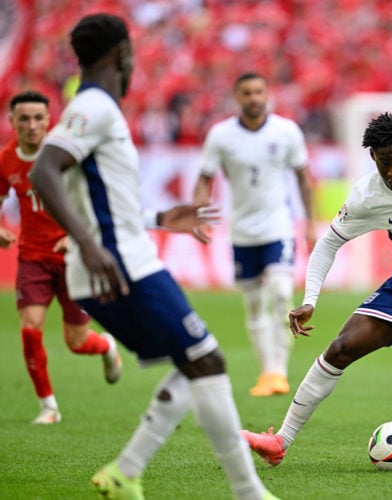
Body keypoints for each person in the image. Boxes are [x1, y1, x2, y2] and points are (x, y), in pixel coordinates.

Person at [29, 14, 277, 500]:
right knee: (207, 360)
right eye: (132, 53)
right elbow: (45, 171)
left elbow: (101, 202)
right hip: (122, 269)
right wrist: (87, 243)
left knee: (195, 362)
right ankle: (247, 492)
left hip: (120, 259)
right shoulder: (94, 107)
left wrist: (161, 217)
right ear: (121, 54)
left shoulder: (97, 109)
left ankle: (127, 471)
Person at [242, 111, 392, 466]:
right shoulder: (367, 196)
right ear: (372, 157)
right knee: (342, 347)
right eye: (384, 163)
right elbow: (327, 244)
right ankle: (280, 441)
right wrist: (310, 299)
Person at [0, 90, 121, 425]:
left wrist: (74, 235)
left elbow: (91, 200)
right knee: (30, 327)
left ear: (48, 120)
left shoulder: (66, 156)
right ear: (12, 122)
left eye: (38, 118)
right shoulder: (6, 160)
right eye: (23, 118)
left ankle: (106, 347)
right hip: (32, 258)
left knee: (76, 342)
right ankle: (48, 406)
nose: (32, 125)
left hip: (72, 259)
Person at [193, 72, 316, 397]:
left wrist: (312, 223)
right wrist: (199, 213)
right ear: (237, 96)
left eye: (259, 91)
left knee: (279, 293)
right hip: (242, 232)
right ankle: (267, 373)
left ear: (267, 94)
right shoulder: (221, 135)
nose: (253, 98)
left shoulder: (286, 131)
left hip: (278, 227)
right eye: (247, 92)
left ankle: (279, 371)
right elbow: (204, 178)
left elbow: (304, 178)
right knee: (253, 304)